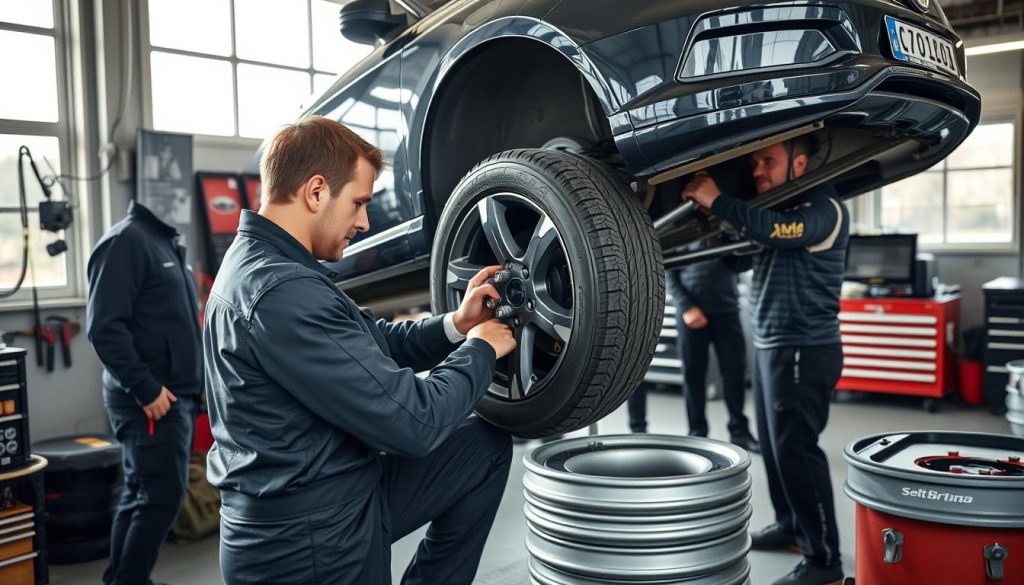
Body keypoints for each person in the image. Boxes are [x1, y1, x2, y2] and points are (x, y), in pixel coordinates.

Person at [204, 116, 517, 585]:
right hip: (306, 542)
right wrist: (480, 350)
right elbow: (414, 423)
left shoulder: (273, 264)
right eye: (358, 203)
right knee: (439, 428)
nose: (365, 222)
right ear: (315, 192)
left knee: (483, 447)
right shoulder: (280, 291)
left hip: (340, 488)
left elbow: (373, 344)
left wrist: (457, 325)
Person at [682, 136, 848, 585]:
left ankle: (824, 561)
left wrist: (720, 199)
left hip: (804, 348)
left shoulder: (822, 207)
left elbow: (777, 232)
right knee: (776, 449)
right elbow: (741, 259)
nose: (757, 170)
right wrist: (714, 221)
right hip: (775, 346)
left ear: (798, 163)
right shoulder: (774, 211)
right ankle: (792, 526)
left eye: (767, 161)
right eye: (754, 162)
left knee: (797, 451)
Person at [86, 200, 203, 585]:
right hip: (152, 401)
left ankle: (122, 578)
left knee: (141, 493)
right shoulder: (126, 242)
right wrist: (146, 388)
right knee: (160, 496)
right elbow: (104, 328)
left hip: (171, 396)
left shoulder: (162, 242)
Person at [626, 243, 760, 456]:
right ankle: (697, 432)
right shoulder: (686, 229)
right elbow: (668, 271)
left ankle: (740, 432)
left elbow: (741, 264)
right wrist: (687, 307)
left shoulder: (724, 231)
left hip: (727, 310)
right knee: (693, 375)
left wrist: (728, 240)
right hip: (690, 314)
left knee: (734, 373)